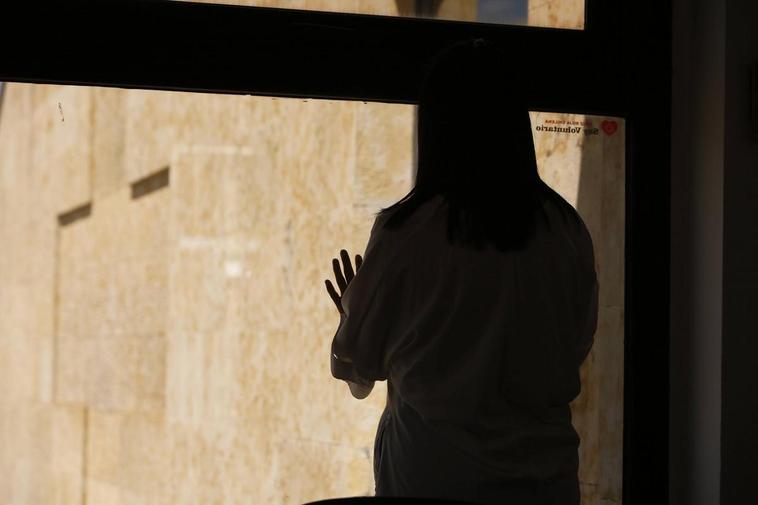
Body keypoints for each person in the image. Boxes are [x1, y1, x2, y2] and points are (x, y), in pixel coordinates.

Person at [324, 37, 598, 505]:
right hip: (546, 484)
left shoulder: (406, 235)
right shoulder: (565, 229)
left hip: (433, 481)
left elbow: (356, 371)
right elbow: (574, 346)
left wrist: (356, 313)